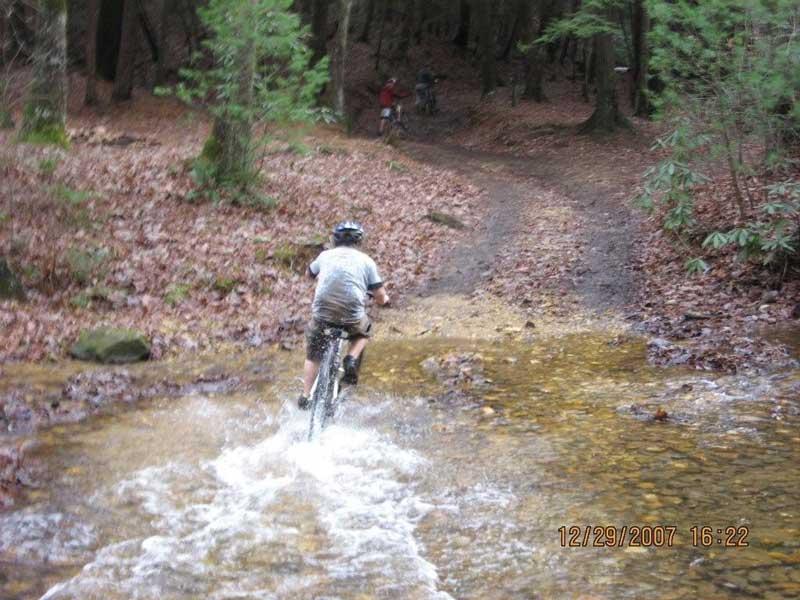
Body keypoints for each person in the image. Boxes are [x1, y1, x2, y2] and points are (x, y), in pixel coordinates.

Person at [298, 221, 390, 409]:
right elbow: (380, 296)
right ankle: (351, 358)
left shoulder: (325, 255)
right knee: (363, 332)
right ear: (359, 241)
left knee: (313, 356)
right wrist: (385, 301)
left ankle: (305, 395)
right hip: (351, 313)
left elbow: (309, 273)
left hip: (323, 312)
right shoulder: (366, 261)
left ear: (335, 239)